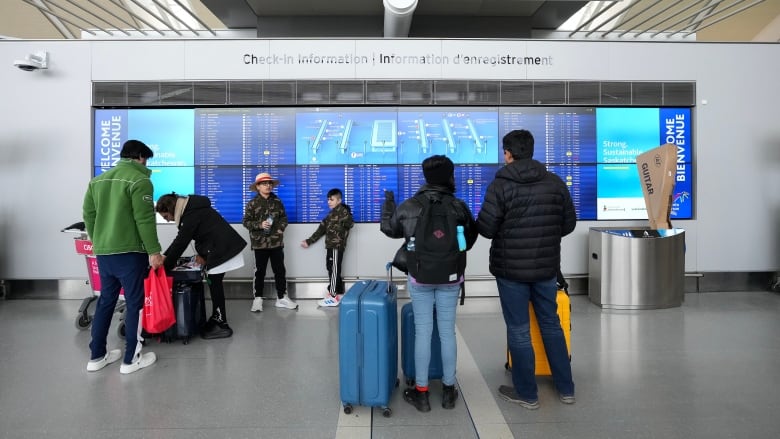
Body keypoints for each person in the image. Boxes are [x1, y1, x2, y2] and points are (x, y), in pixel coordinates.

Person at [477, 129, 577, 409]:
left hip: (511, 272)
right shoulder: (554, 182)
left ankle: (527, 394)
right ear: (531, 151)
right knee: (551, 325)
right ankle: (566, 388)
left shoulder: (500, 185)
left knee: (519, 330)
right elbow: (568, 224)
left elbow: (486, 228)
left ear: (508, 153)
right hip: (546, 268)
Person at [380, 155, 478, 412]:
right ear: (450, 176)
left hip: (419, 276)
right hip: (451, 277)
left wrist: (388, 204)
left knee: (423, 331)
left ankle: (421, 392)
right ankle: (448, 390)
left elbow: (389, 230)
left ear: (425, 177)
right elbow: (470, 238)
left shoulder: (411, 205)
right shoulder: (458, 206)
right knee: (447, 331)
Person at [82, 139, 164, 375]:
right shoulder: (140, 180)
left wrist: (98, 240)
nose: (145, 163)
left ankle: (96, 356)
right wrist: (154, 251)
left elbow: (88, 214)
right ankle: (131, 359)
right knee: (135, 303)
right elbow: (144, 220)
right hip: (130, 253)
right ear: (138, 156)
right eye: (145, 158)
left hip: (104, 253)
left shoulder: (97, 181)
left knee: (106, 301)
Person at [155, 193, 247, 339]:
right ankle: (218, 318)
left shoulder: (191, 214)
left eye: (166, 217)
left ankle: (222, 324)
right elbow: (180, 239)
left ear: (171, 209)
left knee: (214, 283)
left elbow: (181, 242)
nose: (168, 220)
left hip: (223, 249)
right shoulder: (190, 209)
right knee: (214, 283)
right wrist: (165, 257)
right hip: (222, 247)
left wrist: (165, 267)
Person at [242, 172, 298, 311]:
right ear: (258, 187)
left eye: (269, 183)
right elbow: (246, 222)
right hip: (259, 244)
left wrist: (280, 229)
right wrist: (259, 225)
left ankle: (281, 297)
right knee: (259, 271)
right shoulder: (252, 204)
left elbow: (284, 218)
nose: (268, 185)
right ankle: (258, 299)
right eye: (264, 183)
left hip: (276, 243)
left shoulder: (277, 201)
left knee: (279, 270)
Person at [300, 188, 354, 307]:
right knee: (331, 268)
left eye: (332, 199)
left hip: (337, 246)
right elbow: (321, 230)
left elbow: (350, 223)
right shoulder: (330, 215)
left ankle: (333, 295)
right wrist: (309, 241)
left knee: (334, 269)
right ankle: (338, 292)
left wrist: (345, 215)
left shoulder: (343, 212)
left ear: (339, 200)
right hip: (330, 246)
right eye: (328, 199)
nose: (329, 202)